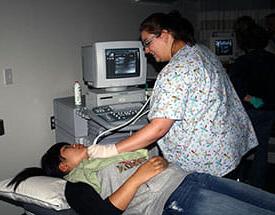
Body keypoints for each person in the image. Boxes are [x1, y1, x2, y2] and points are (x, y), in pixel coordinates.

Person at [88, 11, 258, 177]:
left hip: (207, 162)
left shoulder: (175, 71)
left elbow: (159, 128)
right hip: (229, 147)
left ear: (165, 34)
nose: (146, 51)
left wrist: (109, 150)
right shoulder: (201, 51)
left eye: (147, 42)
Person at [8, 142, 275, 215]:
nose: (78, 144)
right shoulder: (76, 185)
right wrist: (138, 177)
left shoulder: (103, 158)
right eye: (69, 147)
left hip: (193, 178)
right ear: (63, 166)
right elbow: (103, 214)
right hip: (174, 199)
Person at [227, 16, 275, 188]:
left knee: (239, 148)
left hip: (250, 111)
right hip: (269, 110)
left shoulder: (242, 62)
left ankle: (237, 186)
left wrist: (252, 100)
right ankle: (257, 186)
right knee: (261, 149)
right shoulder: (272, 59)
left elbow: (234, 90)